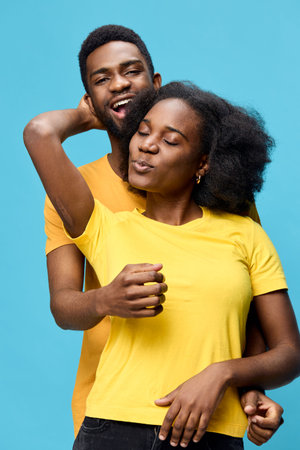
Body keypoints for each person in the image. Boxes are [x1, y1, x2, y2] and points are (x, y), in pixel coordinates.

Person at [32, 25, 283, 445]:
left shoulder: (231, 209)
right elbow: (62, 305)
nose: (119, 85)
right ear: (90, 97)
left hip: (209, 413)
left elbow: (247, 307)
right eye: (101, 79)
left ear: (156, 85)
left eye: (131, 71)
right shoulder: (83, 200)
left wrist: (244, 385)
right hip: (111, 408)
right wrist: (105, 298)